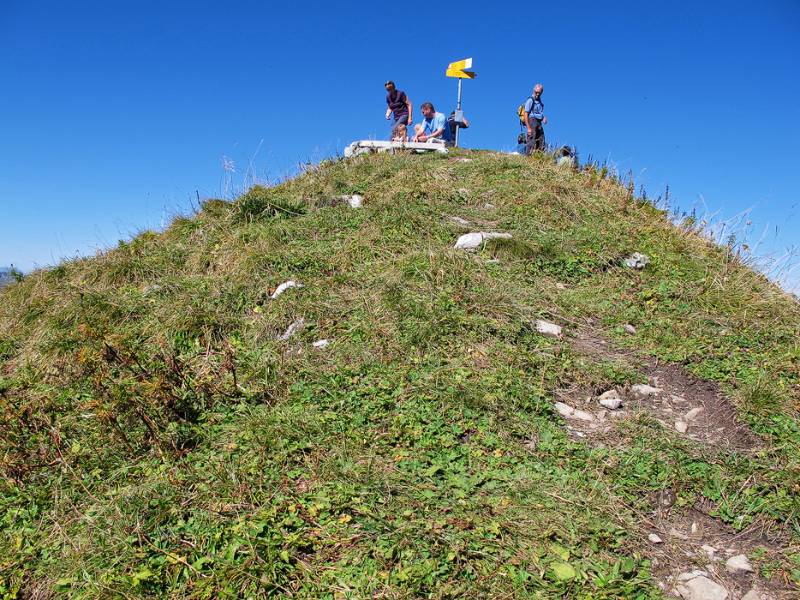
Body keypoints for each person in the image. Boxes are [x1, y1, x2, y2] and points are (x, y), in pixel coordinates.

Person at [523, 83, 547, 154]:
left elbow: (538, 113)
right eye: (536, 92)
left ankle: (539, 158)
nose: (537, 94)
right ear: (533, 91)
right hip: (532, 121)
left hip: (539, 123)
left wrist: (543, 118)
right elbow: (526, 114)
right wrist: (528, 128)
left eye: (539, 93)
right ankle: (528, 158)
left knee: (541, 141)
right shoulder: (530, 100)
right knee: (531, 141)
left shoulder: (540, 102)